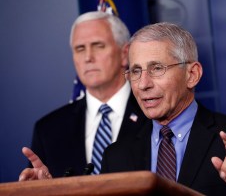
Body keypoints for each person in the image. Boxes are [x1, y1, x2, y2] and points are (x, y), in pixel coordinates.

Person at [19, 22, 226, 196]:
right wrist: (53, 190)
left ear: (193, 74)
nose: (143, 84)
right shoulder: (117, 154)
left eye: (157, 68)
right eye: (135, 71)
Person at [19, 11, 147, 178]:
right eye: (80, 49)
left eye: (98, 45)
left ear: (125, 54)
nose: (88, 57)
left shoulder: (153, 113)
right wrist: (44, 189)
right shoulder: (48, 130)